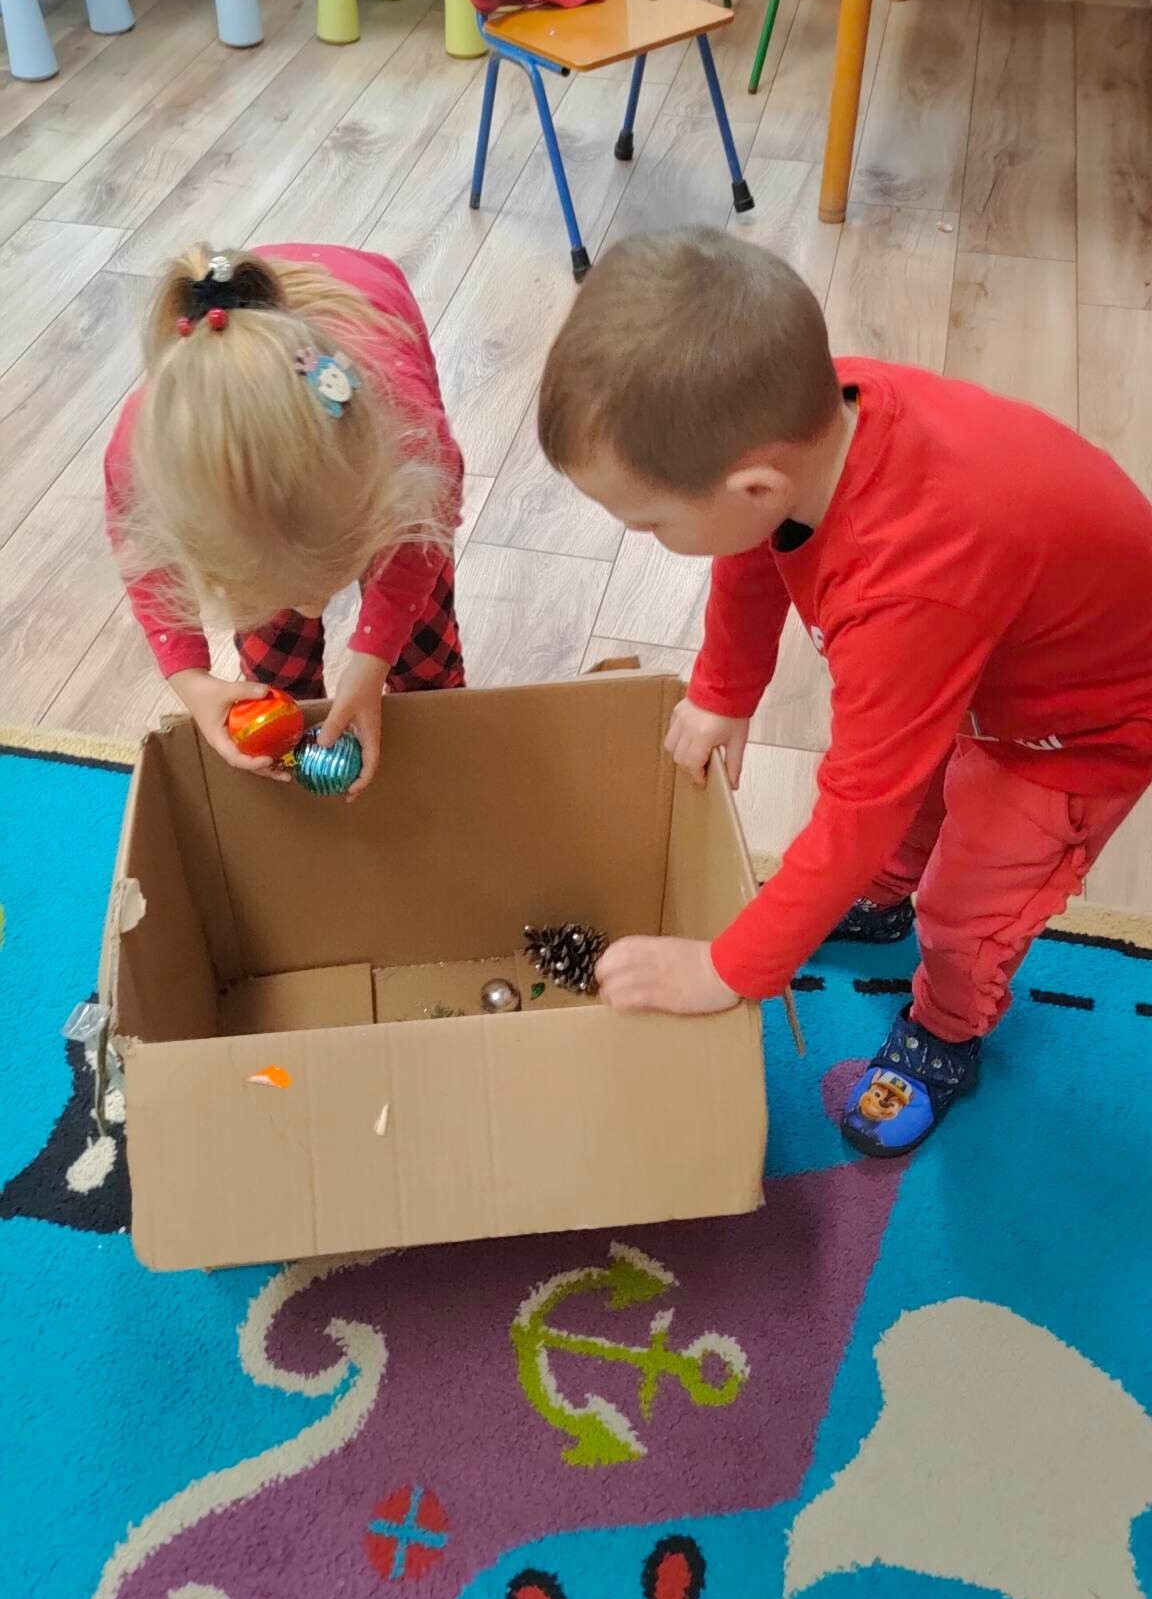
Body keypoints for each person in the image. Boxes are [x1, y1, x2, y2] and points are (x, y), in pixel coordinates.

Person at [537, 229, 1152, 1157]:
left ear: (754, 484)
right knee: (912, 802)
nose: (648, 538)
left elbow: (861, 803)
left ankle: (947, 1031)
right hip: (986, 656)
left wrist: (729, 969)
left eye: (651, 523)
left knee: (969, 908)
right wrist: (725, 687)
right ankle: (885, 897)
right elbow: (756, 548)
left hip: (1078, 733)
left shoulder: (907, 587)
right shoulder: (810, 421)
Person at [105, 243, 464, 798]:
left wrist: (373, 658)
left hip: (378, 371)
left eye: (324, 584)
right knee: (274, 663)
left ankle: (433, 708)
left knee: (422, 639)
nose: (315, 608)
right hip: (255, 455)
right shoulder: (144, 461)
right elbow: (147, 571)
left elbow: (422, 540)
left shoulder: (411, 438)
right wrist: (191, 680)